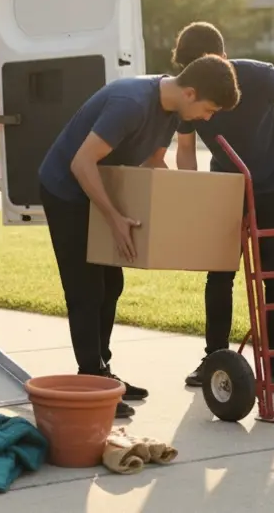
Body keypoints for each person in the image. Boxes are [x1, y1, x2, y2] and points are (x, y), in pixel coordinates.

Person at [37, 54, 242, 418]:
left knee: (111, 284)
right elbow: (81, 163)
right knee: (85, 289)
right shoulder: (130, 103)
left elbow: (152, 164)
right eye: (209, 109)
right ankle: (92, 381)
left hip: (102, 187)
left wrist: (182, 208)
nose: (208, 118)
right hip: (67, 190)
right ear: (190, 93)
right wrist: (114, 218)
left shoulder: (170, 112)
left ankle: (104, 373)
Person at [170, 22, 274, 387]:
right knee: (219, 274)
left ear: (220, 58)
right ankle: (214, 359)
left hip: (273, 182)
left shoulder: (258, 75)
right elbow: (186, 149)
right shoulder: (187, 94)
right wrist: (194, 193)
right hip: (226, 184)